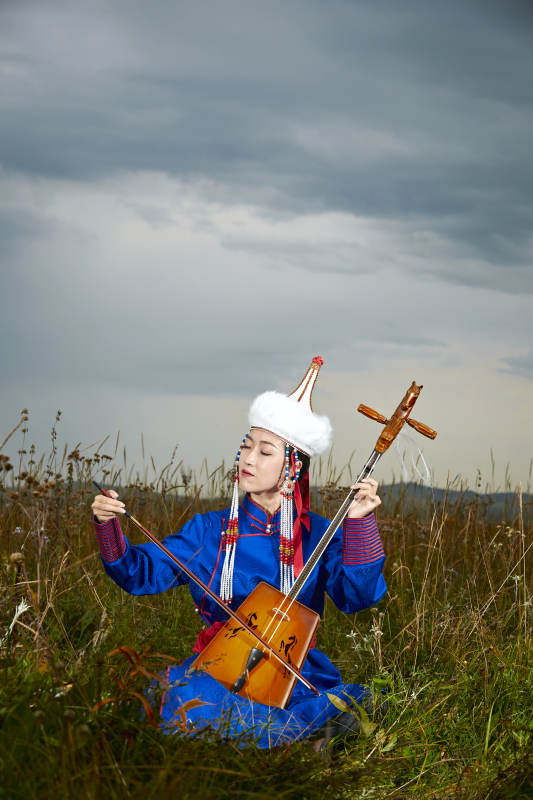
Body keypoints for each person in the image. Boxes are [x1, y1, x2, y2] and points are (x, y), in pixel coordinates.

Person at [91, 357, 385, 748]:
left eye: (265, 452)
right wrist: (107, 523)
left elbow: (358, 597)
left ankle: (288, 733)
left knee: (353, 699)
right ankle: (300, 737)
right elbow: (135, 572)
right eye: (246, 446)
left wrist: (359, 523)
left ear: (292, 467)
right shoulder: (208, 531)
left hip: (295, 674)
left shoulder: (318, 535)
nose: (248, 458)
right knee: (187, 697)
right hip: (219, 670)